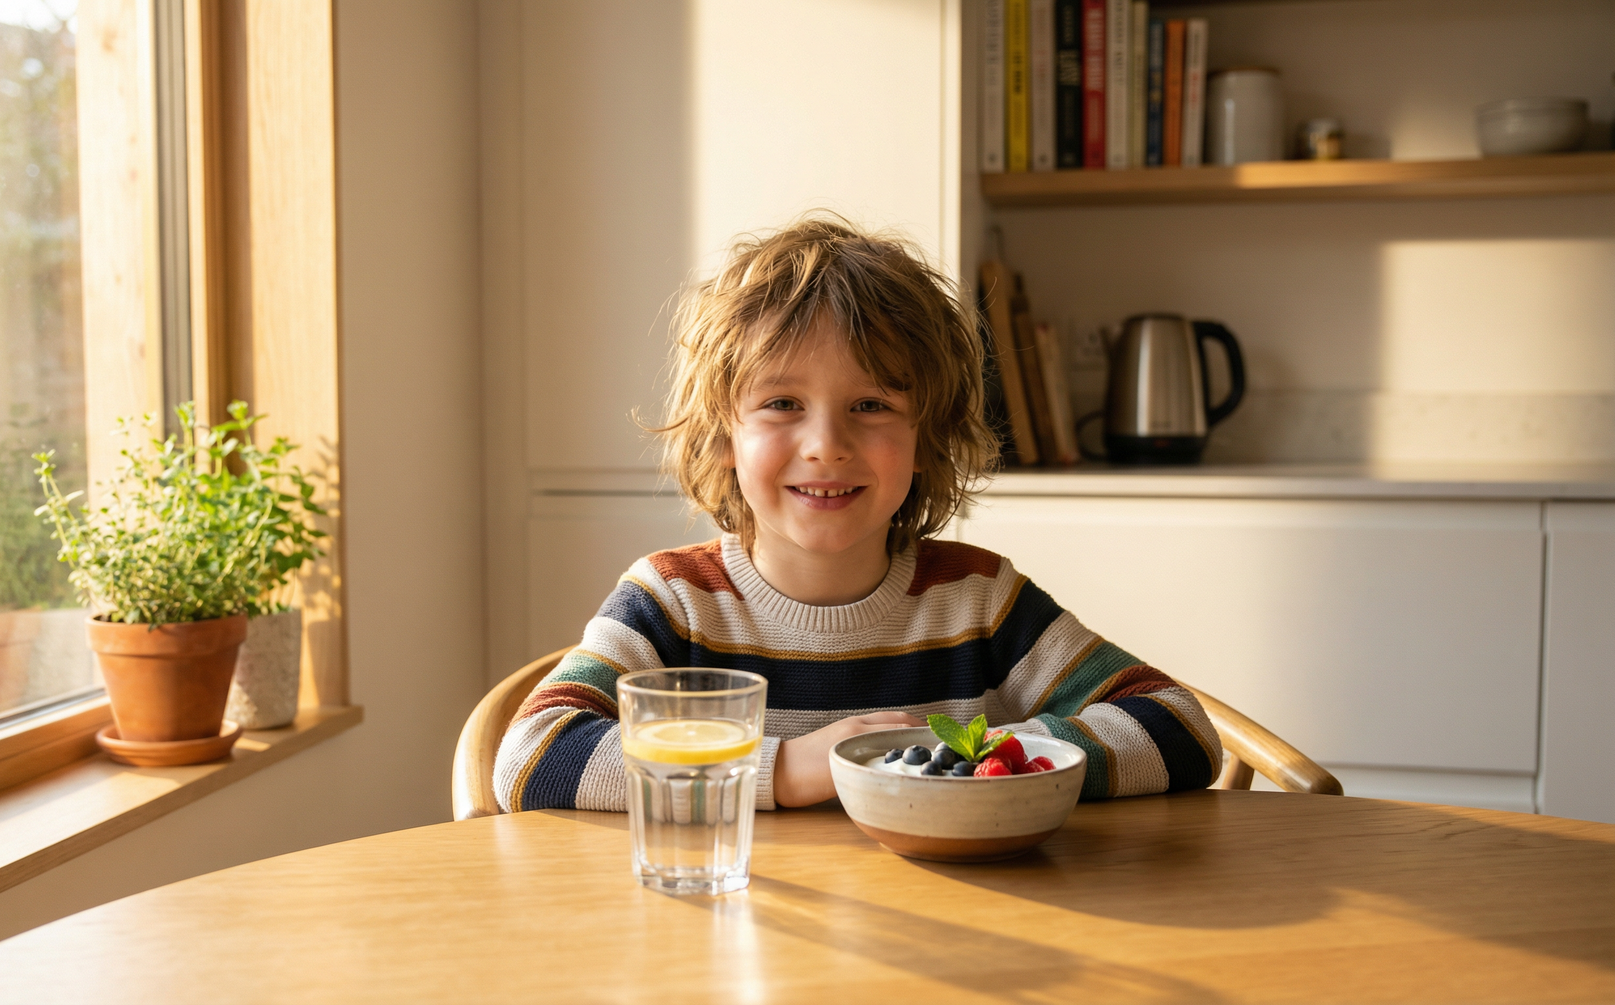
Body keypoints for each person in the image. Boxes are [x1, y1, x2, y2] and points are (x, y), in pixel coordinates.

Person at [494, 216, 1220, 813]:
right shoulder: (675, 604)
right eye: (782, 404)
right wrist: (784, 769)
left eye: (871, 406)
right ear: (723, 439)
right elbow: (533, 753)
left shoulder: (977, 602)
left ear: (927, 441)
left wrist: (971, 766)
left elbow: (1178, 725)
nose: (826, 446)